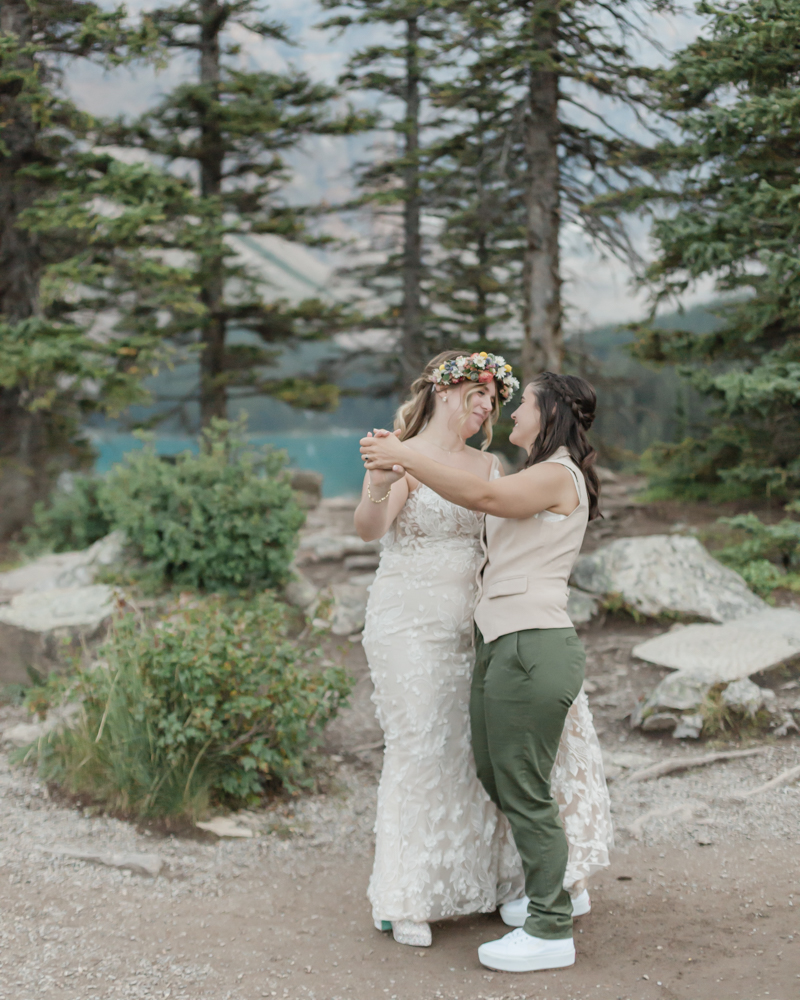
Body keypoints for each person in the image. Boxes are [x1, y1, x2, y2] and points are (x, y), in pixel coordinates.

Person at [355, 352, 612, 959]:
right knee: (430, 750)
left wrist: (405, 455)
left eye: (503, 401)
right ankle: (409, 895)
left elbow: (492, 509)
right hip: (414, 621)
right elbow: (370, 529)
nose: (491, 408)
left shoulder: (498, 469)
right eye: (482, 394)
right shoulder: (402, 453)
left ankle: (520, 891)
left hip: (490, 626)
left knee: (495, 760)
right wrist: (383, 475)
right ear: (447, 392)